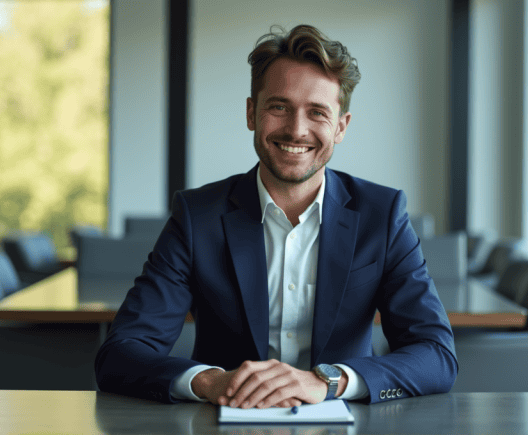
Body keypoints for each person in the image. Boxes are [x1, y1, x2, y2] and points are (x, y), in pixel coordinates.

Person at [95, 24, 458, 408]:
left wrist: (328, 382)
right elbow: (120, 353)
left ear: (340, 127)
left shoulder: (381, 215)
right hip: (224, 422)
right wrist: (209, 381)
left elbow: (436, 355)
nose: (296, 130)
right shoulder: (196, 216)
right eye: (279, 107)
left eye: (317, 112)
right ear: (252, 113)